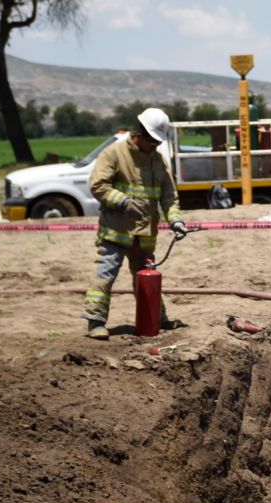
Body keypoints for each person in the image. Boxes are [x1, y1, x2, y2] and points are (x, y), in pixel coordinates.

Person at [82, 108, 186, 339]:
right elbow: (98, 185)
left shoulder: (157, 161)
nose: (155, 146)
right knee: (105, 275)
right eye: (151, 141)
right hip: (116, 231)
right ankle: (95, 322)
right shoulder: (114, 154)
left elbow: (169, 197)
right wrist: (123, 202)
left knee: (147, 277)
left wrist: (176, 220)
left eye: (158, 142)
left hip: (145, 235)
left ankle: (158, 319)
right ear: (139, 133)